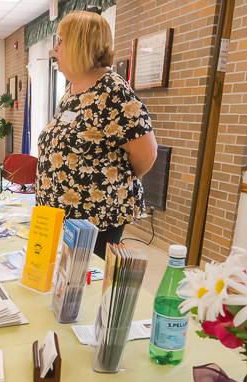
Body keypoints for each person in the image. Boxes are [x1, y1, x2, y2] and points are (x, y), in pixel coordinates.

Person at [36, 11, 157, 259]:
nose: (55, 49)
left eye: (61, 41)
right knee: (64, 286)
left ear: (79, 45)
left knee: (85, 286)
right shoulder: (72, 89)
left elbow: (146, 154)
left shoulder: (113, 91)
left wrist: (110, 181)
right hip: (61, 214)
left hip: (95, 216)